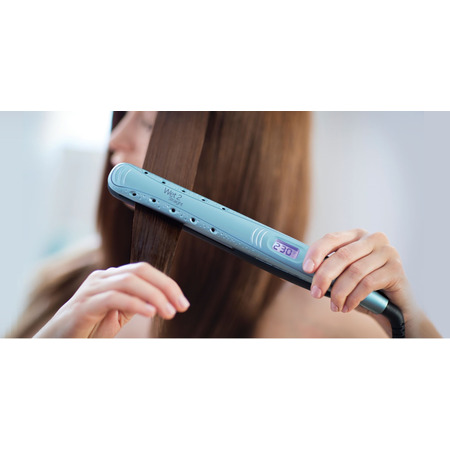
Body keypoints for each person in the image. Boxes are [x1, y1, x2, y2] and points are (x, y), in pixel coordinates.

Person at [10, 112, 441, 338]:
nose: (115, 139)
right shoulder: (67, 287)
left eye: (149, 122)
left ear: (231, 151)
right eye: (121, 114)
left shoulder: (331, 327)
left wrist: (413, 326)